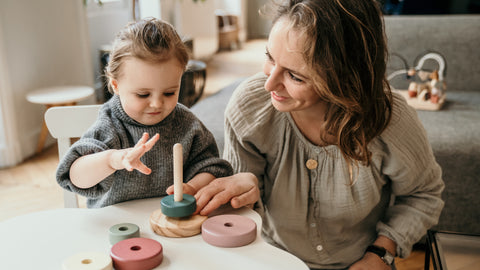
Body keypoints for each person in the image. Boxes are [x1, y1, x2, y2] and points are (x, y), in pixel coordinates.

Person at [194, 0, 444, 269]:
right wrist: (238, 198)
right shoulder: (250, 108)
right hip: (274, 260)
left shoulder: (391, 120)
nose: (270, 83)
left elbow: (424, 195)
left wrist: (380, 255)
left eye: (295, 77)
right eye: (269, 57)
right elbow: (243, 219)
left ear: (345, 78)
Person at [56, 18, 232, 208]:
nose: (157, 103)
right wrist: (112, 160)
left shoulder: (187, 124)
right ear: (115, 85)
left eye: (169, 92)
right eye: (143, 94)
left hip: (171, 225)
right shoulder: (110, 125)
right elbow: (75, 176)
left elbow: (211, 167)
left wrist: (192, 186)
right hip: (117, 227)